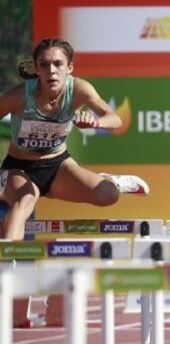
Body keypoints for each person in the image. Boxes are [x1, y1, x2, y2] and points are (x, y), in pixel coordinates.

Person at [0, 39, 149, 240]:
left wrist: (95, 124)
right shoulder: (19, 96)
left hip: (58, 166)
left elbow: (115, 119)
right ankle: (9, 265)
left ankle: (112, 181)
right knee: (25, 200)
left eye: (58, 64)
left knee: (108, 195)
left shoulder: (79, 89)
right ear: (36, 69)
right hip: (18, 168)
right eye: (44, 65)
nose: (51, 71)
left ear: (69, 67)